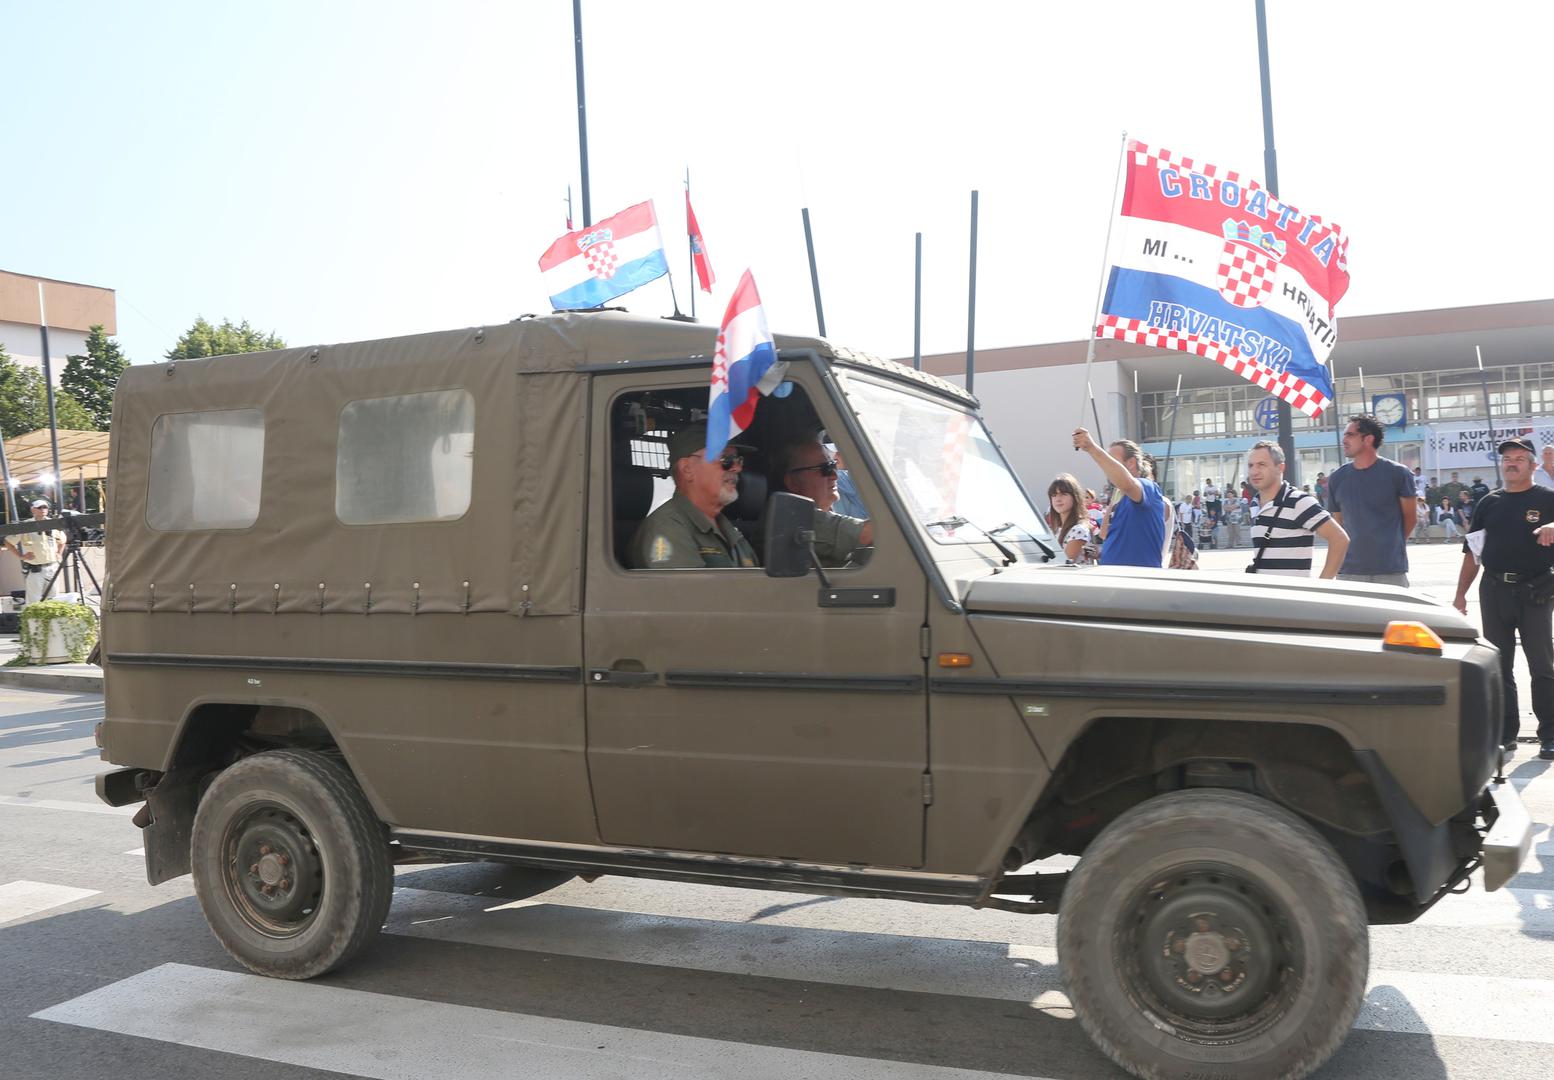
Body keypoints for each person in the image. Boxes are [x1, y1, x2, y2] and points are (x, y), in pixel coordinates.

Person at [1451, 437, 1554, 760]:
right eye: (1507, 458)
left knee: (1542, 664)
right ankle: (1506, 734)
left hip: (1536, 590)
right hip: (1494, 589)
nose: (1512, 463)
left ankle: (1550, 734)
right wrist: (1460, 595)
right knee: (1499, 663)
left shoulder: (1548, 499)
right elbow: (1473, 552)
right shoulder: (1489, 503)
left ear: (1533, 466)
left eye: (1520, 458)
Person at [631, 425, 759, 569]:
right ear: (687, 469)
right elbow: (686, 585)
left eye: (739, 460)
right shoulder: (666, 529)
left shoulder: (729, 530)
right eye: (725, 459)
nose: (737, 468)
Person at [1326, 413, 1417, 586]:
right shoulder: (1337, 478)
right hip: (1349, 572)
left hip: (1391, 571)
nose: (1344, 440)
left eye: (1350, 435)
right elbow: (1338, 524)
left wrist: (1389, 546)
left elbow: (1411, 519)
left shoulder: (1399, 474)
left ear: (1368, 439)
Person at [1244, 441, 1350, 578]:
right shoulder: (1255, 504)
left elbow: (1340, 539)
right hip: (1263, 590)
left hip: (1291, 591)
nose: (1254, 471)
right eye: (1251, 465)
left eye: (1261, 465)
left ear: (1280, 468)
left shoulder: (1299, 501)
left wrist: (1322, 585)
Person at [772, 436, 872, 567]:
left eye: (833, 465)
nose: (835, 475)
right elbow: (873, 534)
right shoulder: (793, 518)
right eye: (825, 468)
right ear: (793, 482)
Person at [1072, 429, 1165, 567]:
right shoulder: (1118, 494)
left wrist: (1092, 448)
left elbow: (1128, 483)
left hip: (1137, 577)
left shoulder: (1148, 487)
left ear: (1131, 463)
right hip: (1116, 574)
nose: (1106, 465)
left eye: (1112, 461)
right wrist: (1102, 551)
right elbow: (1107, 535)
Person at [3, 499, 64, 604]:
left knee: (53, 600)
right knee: (33, 601)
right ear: (33, 510)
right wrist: (21, 556)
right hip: (35, 569)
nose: (43, 509)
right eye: (39, 507)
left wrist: (59, 553)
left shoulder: (53, 524)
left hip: (52, 567)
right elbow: (8, 542)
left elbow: (62, 541)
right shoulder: (25, 525)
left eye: (45, 507)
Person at [1046, 473, 1098, 565]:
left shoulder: (1079, 529)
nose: (1058, 499)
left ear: (1075, 497)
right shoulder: (1056, 529)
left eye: (1063, 494)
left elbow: (1063, 564)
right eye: (1054, 495)